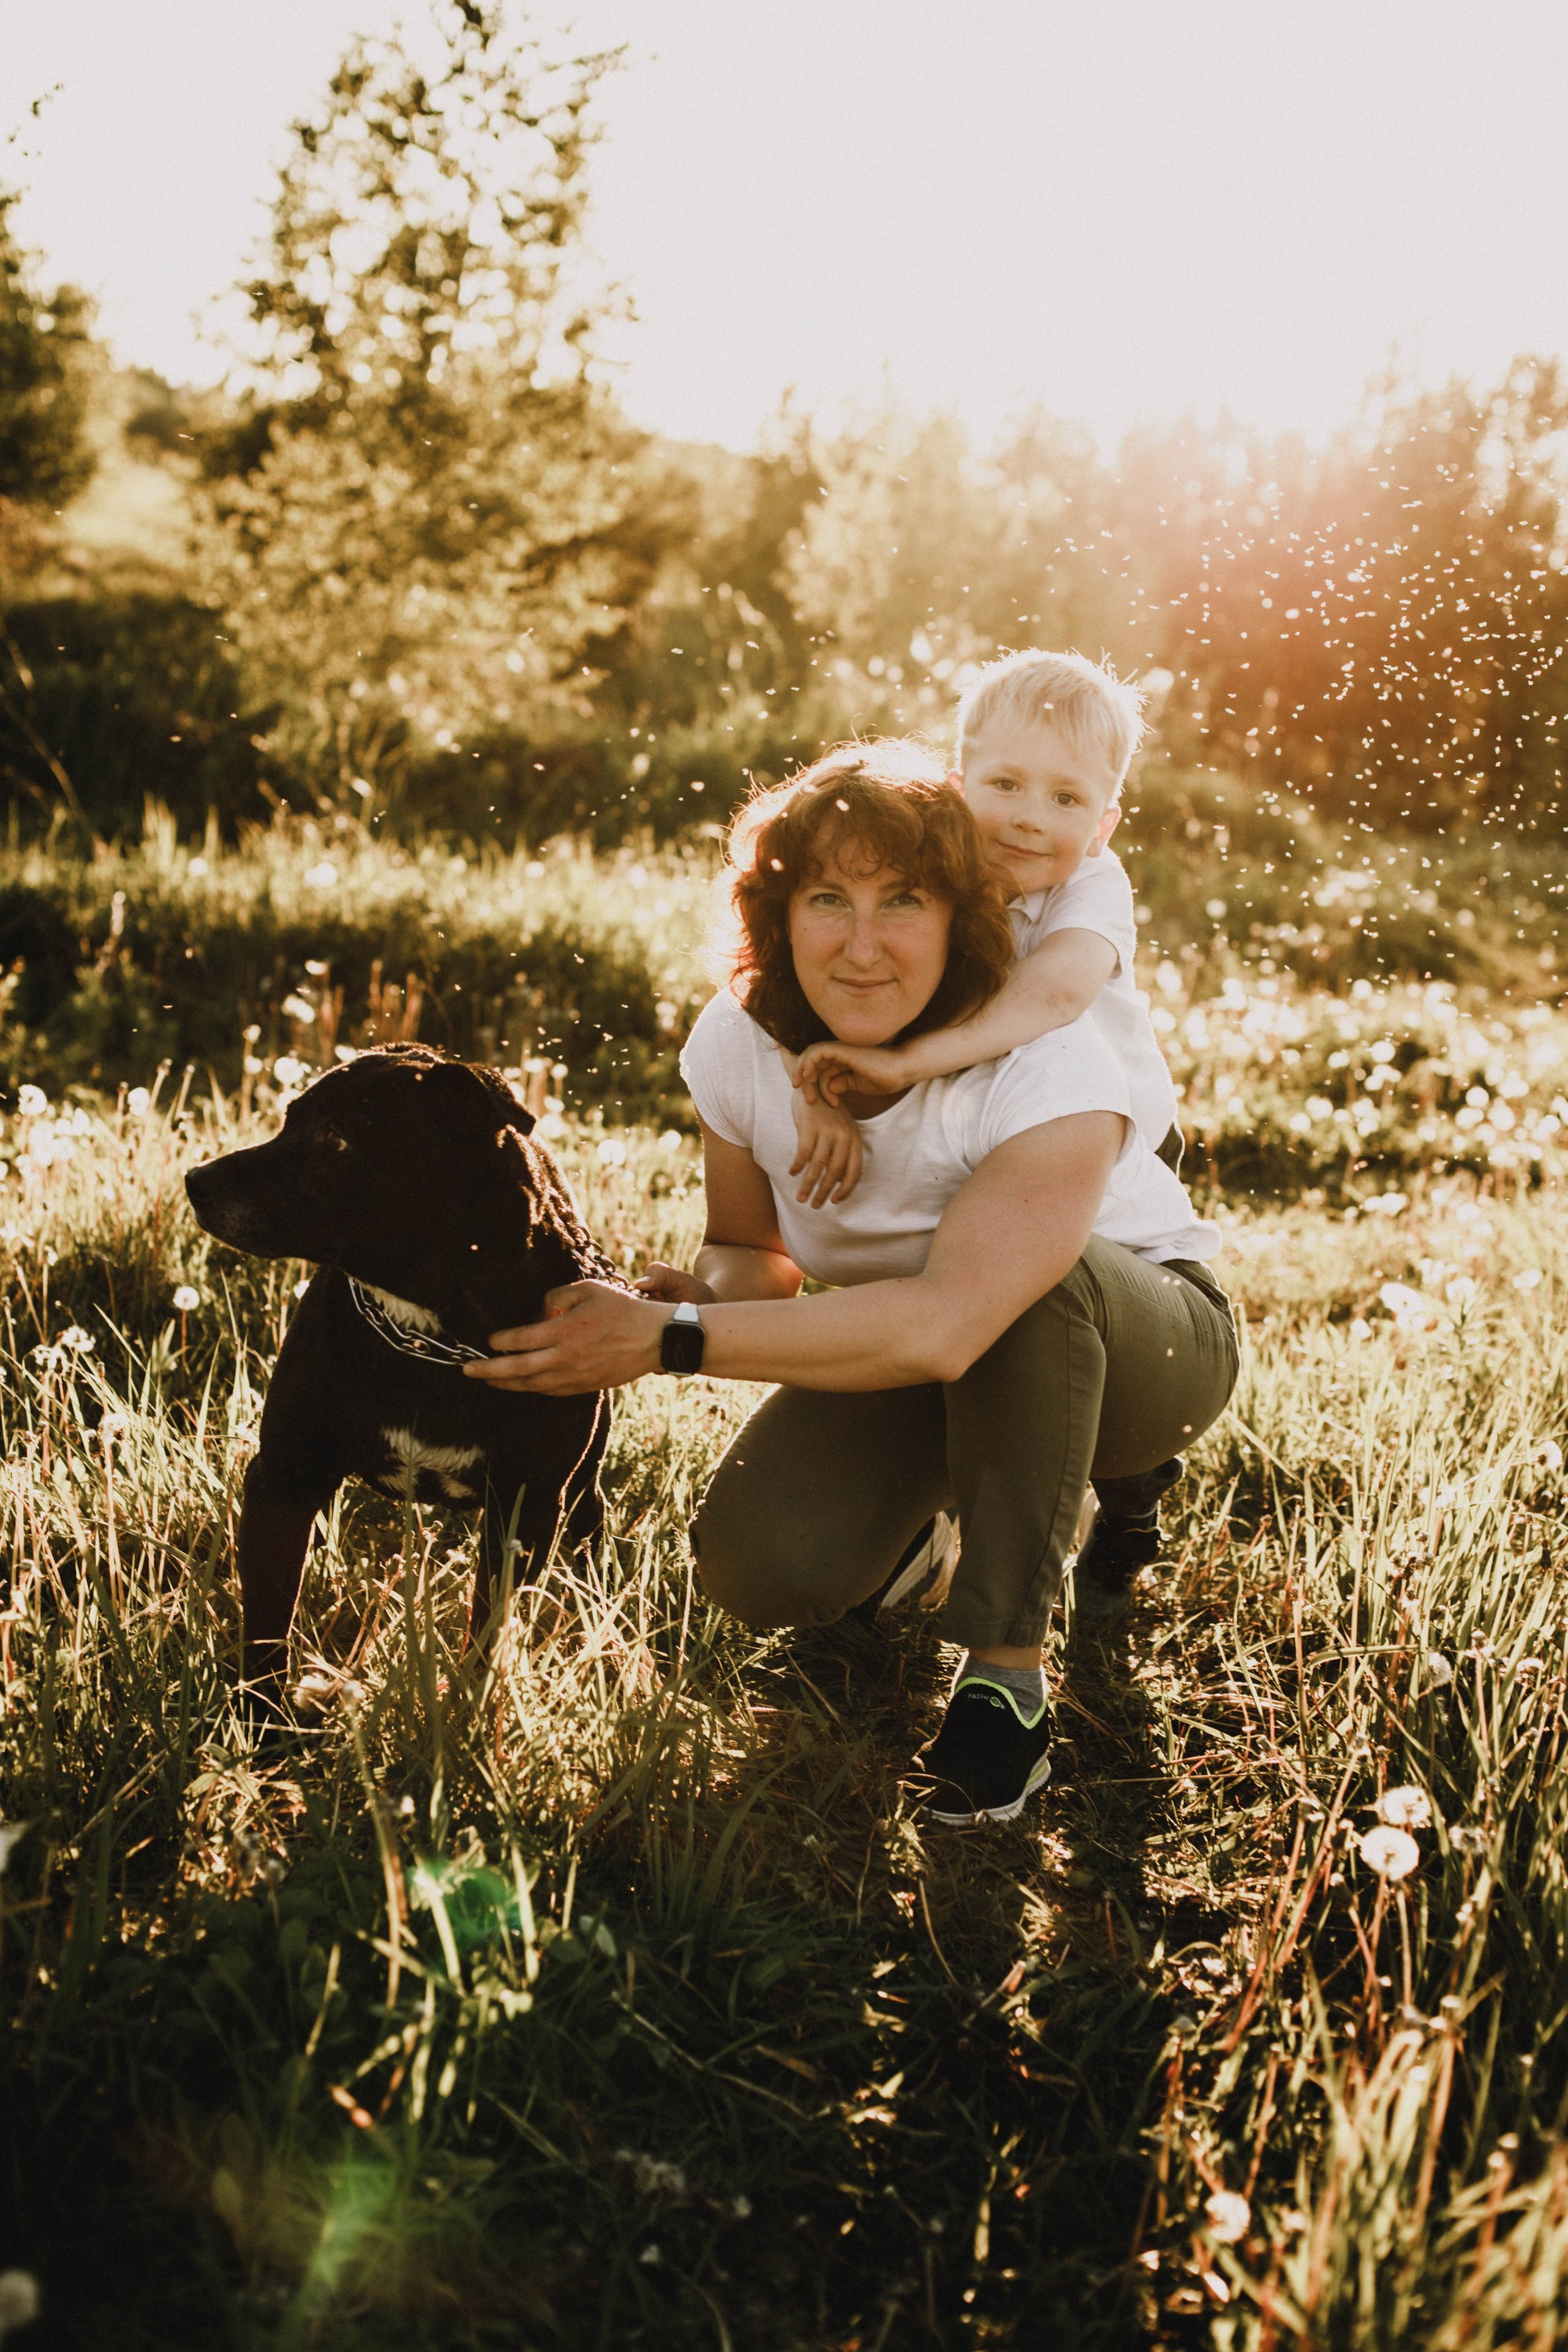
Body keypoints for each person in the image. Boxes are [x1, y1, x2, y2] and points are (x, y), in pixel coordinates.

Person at [464, 743, 1237, 1826]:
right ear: (779, 916)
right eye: (828, 898)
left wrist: (673, 1340)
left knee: (1029, 1298)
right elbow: (752, 1250)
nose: (862, 945)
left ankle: (1004, 1681)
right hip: (934, 1350)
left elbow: (951, 1321)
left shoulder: (1043, 1060)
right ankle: (919, 1539)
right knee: (759, 1565)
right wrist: (700, 1298)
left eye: (904, 902)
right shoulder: (738, 1046)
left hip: (1143, 1347)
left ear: (964, 913)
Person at [787, 652, 1190, 1599]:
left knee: (1062, 1312)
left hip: (1113, 1159)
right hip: (980, 1140)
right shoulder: (934, 870)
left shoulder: (1091, 891)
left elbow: (1051, 994)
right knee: (956, 1292)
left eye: (1064, 799)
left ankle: (1132, 1492)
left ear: (1105, 824)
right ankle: (930, 1500)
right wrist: (827, 1093)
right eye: (1005, 784)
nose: (1028, 817)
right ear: (958, 780)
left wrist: (905, 1064)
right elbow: (850, 994)